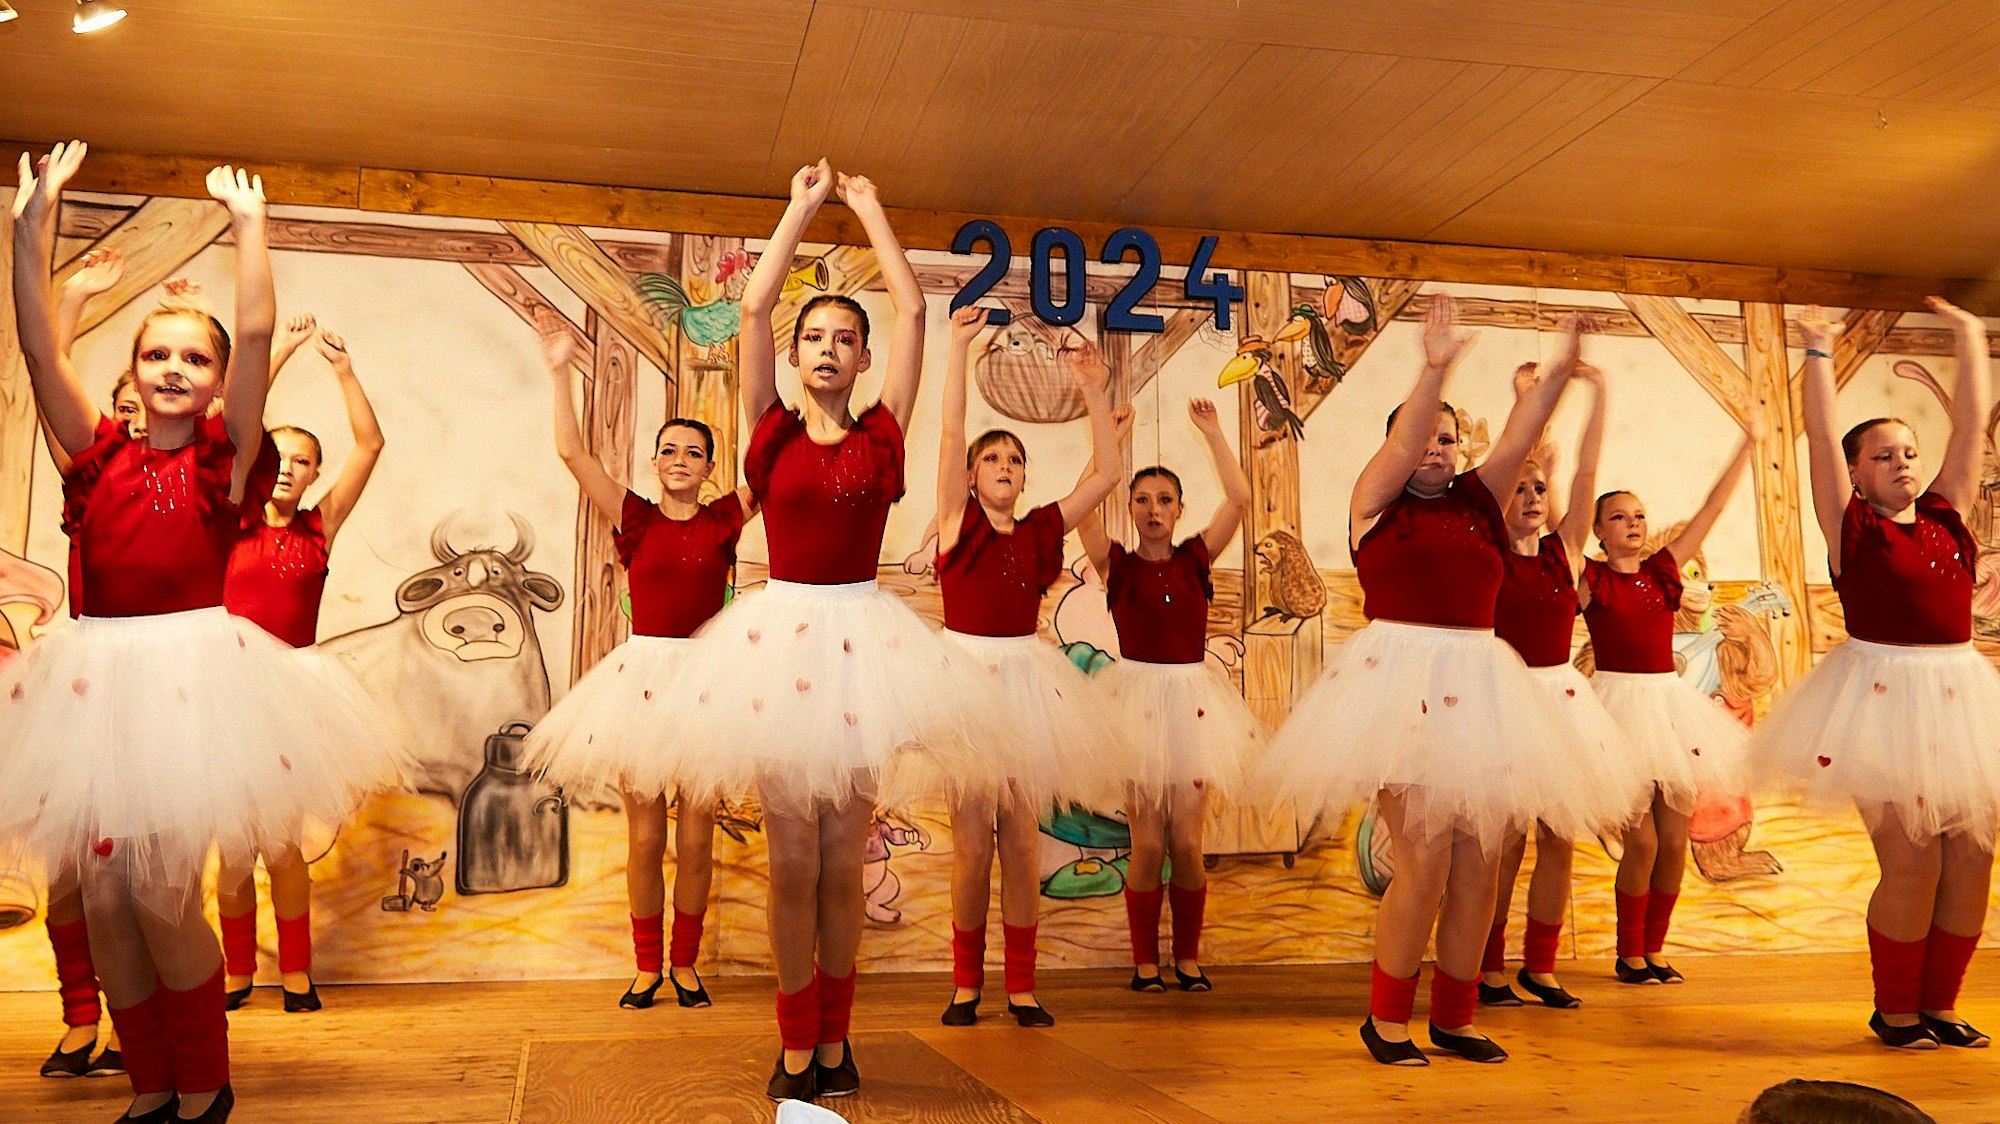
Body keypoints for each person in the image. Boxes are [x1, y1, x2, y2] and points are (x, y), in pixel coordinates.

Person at [1752, 299, 1997, 1049]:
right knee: (1913, 861)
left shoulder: (1949, 517)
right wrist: (1818, 350)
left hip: (1958, 693)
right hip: (1881, 701)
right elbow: (1820, 438)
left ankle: (1942, 1003)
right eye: (1883, 456)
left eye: (1907, 453)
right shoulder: (1850, 529)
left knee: (1974, 855)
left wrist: (1968, 335)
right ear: (1857, 477)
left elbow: (1971, 429)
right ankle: (1895, 1010)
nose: (1902, 464)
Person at [524, 325, 757, 1013]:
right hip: (644, 684)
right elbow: (571, 451)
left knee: (695, 838)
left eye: (694, 451)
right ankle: (647, 966)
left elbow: (776, 473)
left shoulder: (723, 520)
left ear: (711, 468)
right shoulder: (632, 516)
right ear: (655, 463)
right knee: (647, 835)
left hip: (707, 685)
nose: (680, 458)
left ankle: (686, 963)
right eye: (669, 450)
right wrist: (559, 373)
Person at [932, 305, 1123, 1028]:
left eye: (1014, 459)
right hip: (965, 681)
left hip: (1023, 681)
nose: (1004, 468)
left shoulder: (1043, 529)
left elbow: (1105, 474)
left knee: (1020, 842)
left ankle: (1020, 986)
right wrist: (956, 350)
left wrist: (1093, 389)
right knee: (969, 847)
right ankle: (964, 985)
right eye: (993, 459)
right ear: (975, 475)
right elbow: (950, 435)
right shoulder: (958, 522)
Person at [1076, 397, 1260, 995]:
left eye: (1164, 500)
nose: (1153, 509)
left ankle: (1187, 958)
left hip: (1191, 707)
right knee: (1147, 841)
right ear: (1130, 508)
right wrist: (1111, 444)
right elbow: (1081, 513)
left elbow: (1239, 499)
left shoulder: (1196, 558)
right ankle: (1144, 963)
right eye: (1142, 499)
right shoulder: (1118, 566)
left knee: (1187, 841)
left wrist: (1212, 433)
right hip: (1135, 706)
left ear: (1179, 510)